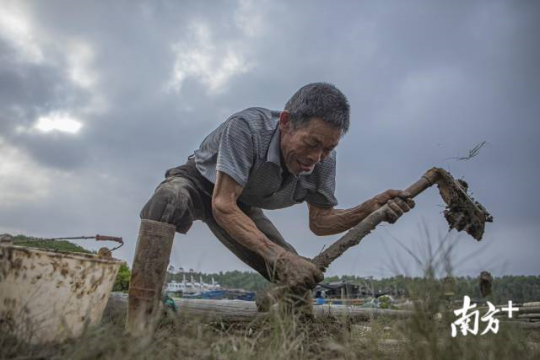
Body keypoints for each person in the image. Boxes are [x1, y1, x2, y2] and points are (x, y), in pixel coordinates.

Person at [126, 83, 414, 334]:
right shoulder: (247, 128)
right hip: (202, 184)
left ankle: (300, 341)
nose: (315, 157)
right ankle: (140, 322)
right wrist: (281, 257)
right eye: (311, 143)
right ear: (286, 122)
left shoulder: (323, 161)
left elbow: (321, 223)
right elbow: (223, 203)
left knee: (298, 279)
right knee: (169, 199)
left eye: (327, 148)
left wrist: (369, 209)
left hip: (242, 204)